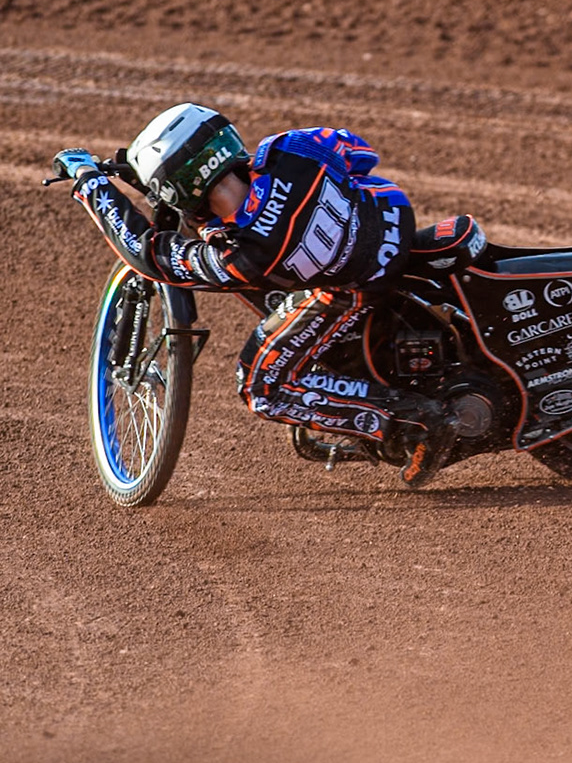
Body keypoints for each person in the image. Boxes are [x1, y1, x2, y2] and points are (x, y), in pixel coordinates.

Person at [51, 104, 480, 487]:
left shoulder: (238, 255)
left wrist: (91, 183)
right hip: (394, 227)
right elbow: (359, 153)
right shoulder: (292, 148)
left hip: (350, 293)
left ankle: (411, 420)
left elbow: (149, 254)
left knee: (260, 385)